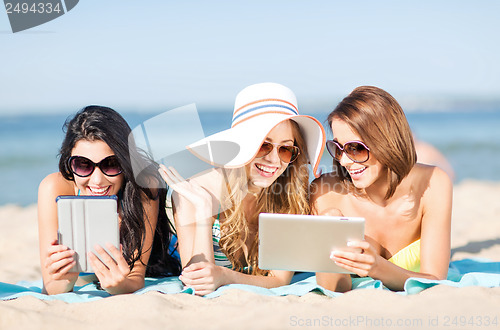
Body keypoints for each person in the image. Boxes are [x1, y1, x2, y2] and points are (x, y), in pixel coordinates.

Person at [159, 82, 326, 296]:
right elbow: (198, 282)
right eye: (264, 145)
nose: (274, 159)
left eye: (285, 149)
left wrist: (226, 276)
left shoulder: (289, 197)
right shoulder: (196, 191)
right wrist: (203, 210)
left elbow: (279, 280)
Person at [311, 86, 452, 292]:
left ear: (386, 142)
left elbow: (435, 280)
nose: (345, 161)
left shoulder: (433, 183)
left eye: (356, 148)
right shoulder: (326, 194)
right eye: (338, 149)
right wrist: (328, 238)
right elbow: (333, 290)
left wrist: (377, 267)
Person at [38, 105, 181, 295]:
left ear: (126, 161)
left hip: (158, 257)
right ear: (69, 161)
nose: (97, 180)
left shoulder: (144, 185)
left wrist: (120, 286)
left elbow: (136, 277)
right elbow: (51, 287)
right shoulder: (53, 188)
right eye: (83, 165)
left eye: (111, 164)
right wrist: (63, 280)